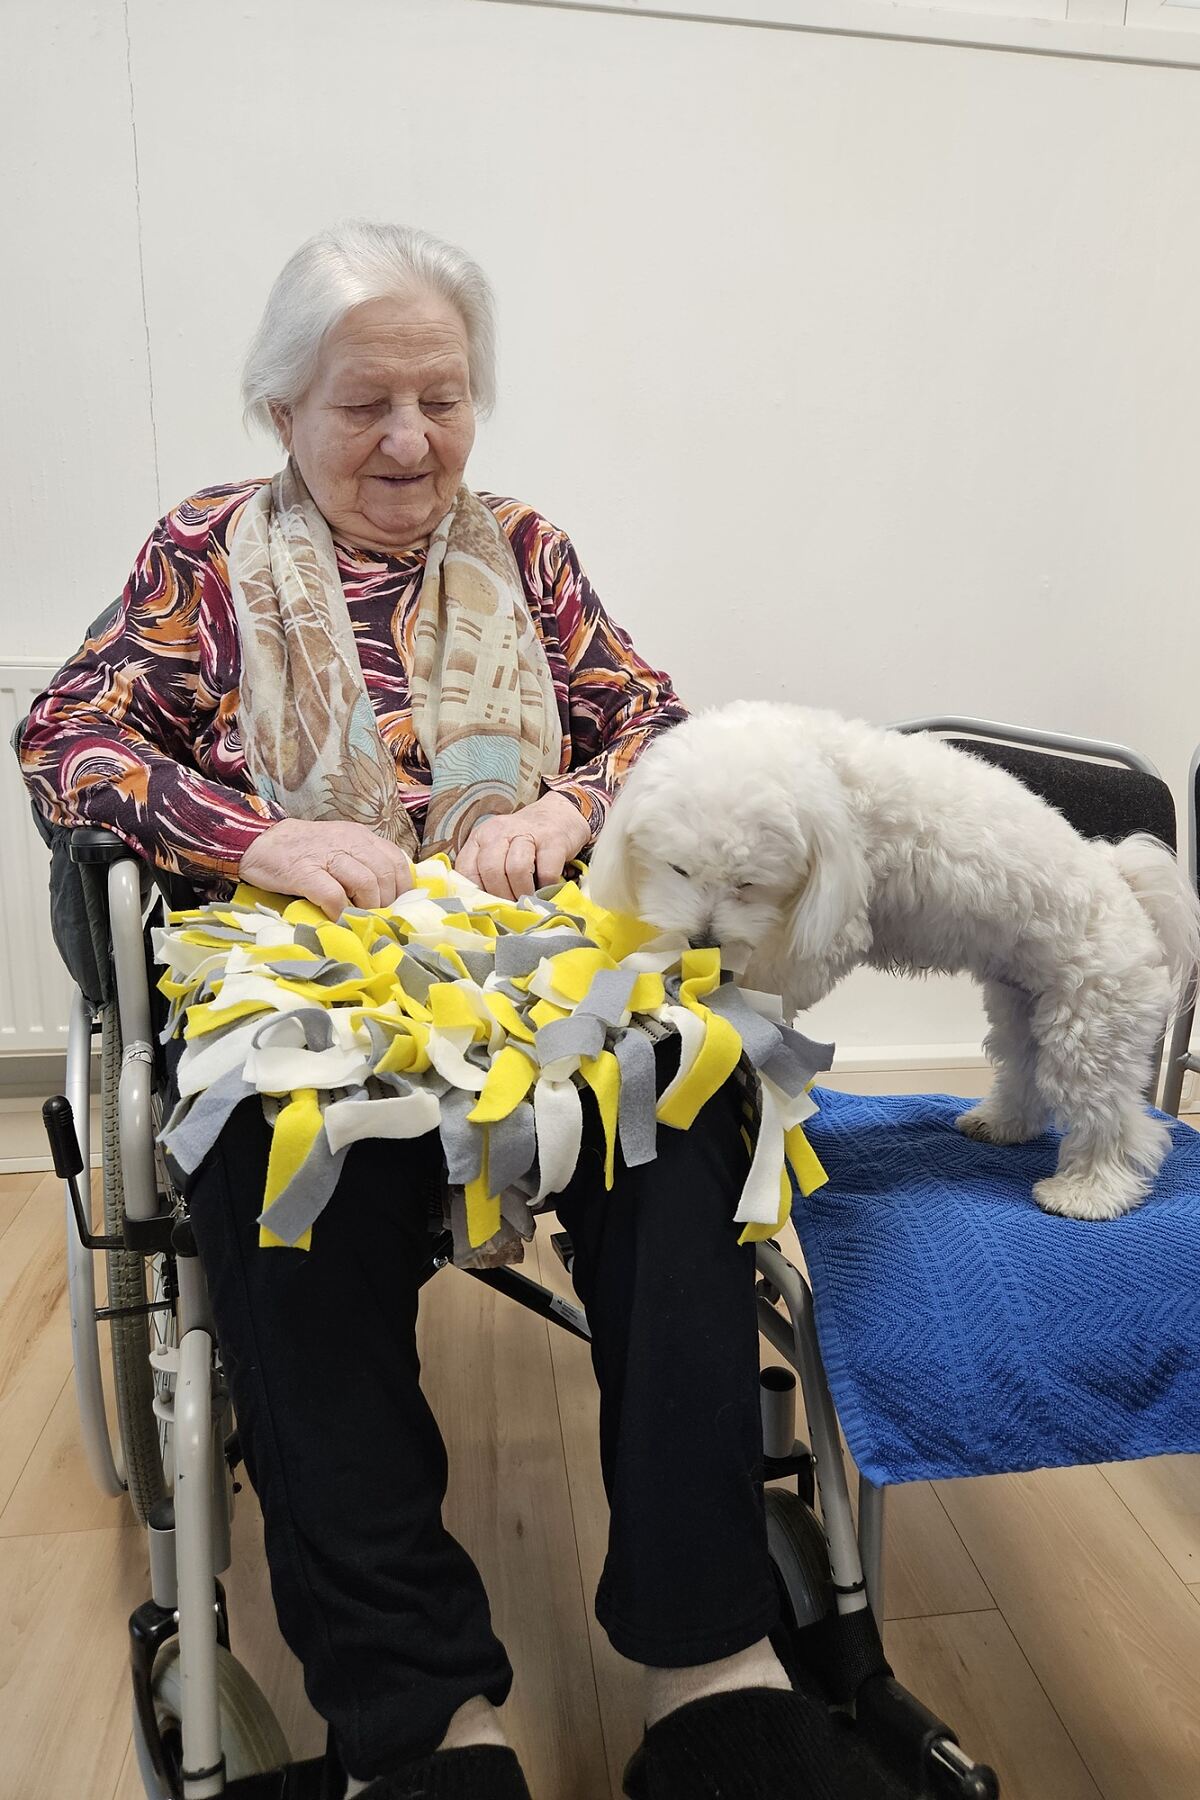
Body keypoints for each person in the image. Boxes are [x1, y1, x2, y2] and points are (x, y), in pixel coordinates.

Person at [20, 223, 887, 1800]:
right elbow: (69, 739)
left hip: (523, 981)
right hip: (309, 989)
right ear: (280, 409)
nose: (412, 440)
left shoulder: (528, 550)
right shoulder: (205, 556)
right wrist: (259, 839)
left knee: (683, 1107)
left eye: (445, 396)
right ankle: (418, 1712)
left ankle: (715, 1661)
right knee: (280, 1166)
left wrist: (566, 807)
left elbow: (654, 723)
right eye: (366, 404)